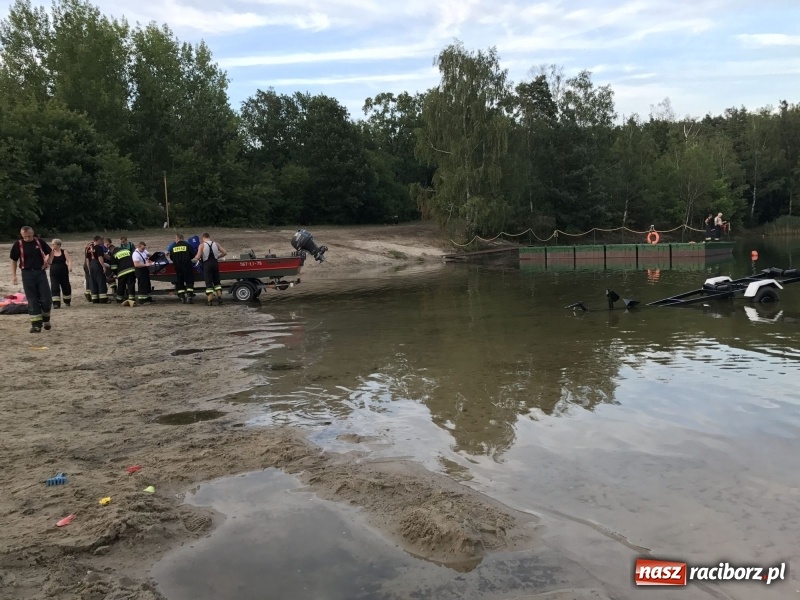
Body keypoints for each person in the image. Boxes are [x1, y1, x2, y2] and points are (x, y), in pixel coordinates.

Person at [9, 226, 53, 333]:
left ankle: (46, 318)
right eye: (25, 237)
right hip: (27, 273)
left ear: (33, 233)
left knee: (46, 299)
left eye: (29, 236)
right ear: (21, 235)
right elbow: (13, 260)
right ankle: (36, 325)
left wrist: (48, 262)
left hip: (40, 272)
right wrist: (14, 275)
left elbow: (50, 252)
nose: (27, 238)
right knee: (32, 299)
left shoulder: (40, 242)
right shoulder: (17, 245)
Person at [194, 233, 227, 306]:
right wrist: (218, 257)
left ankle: (210, 301)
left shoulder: (202, 245)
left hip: (207, 265)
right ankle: (220, 299)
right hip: (215, 264)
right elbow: (225, 252)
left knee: (209, 282)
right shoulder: (216, 244)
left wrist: (196, 257)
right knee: (217, 282)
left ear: (203, 238)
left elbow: (198, 257)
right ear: (209, 237)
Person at [168, 234, 195, 303]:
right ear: (182, 239)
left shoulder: (173, 247)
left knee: (180, 281)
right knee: (189, 281)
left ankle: (182, 297)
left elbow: (171, 257)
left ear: (178, 239)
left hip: (178, 267)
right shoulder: (187, 245)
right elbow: (193, 254)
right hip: (187, 266)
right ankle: (190, 297)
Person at [49, 239, 72, 309]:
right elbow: (49, 261)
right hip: (54, 272)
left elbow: (69, 260)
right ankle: (56, 303)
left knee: (66, 285)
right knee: (54, 286)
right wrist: (48, 257)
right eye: (52, 244)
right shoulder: (51, 252)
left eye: (54, 244)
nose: (52, 246)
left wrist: (70, 267)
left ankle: (67, 300)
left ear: (58, 245)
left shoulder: (63, 251)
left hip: (63, 271)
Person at [86, 235, 109, 303]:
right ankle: (103, 299)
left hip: (91, 265)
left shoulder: (88, 248)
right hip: (97, 265)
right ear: (98, 240)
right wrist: (103, 266)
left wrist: (89, 268)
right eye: (101, 241)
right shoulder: (99, 248)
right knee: (101, 281)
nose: (102, 242)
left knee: (93, 282)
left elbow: (87, 259)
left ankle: (95, 299)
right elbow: (100, 258)